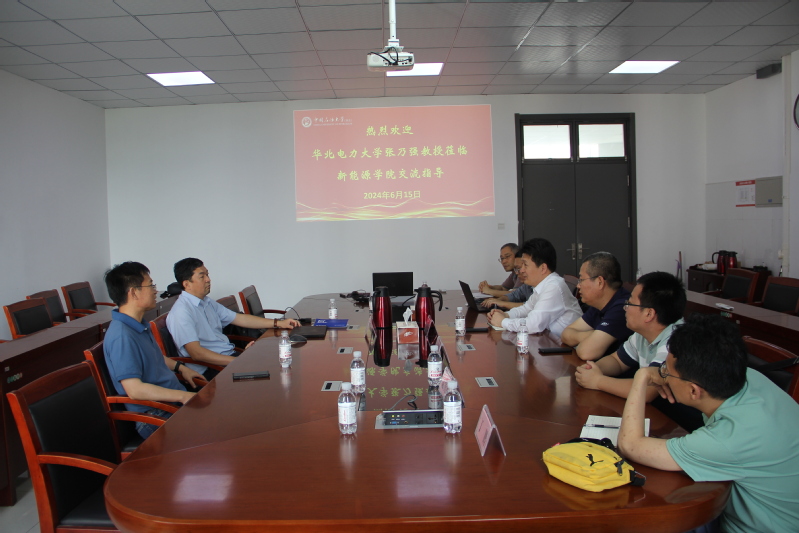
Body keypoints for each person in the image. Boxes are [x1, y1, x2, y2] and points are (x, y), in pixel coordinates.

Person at [618, 314, 799, 533]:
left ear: (694, 390)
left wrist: (641, 377)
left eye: (666, 371)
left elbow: (630, 445)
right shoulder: (748, 377)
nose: (661, 374)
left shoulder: (728, 438)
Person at [103, 261, 202, 439]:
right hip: (155, 415)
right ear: (133, 292)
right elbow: (135, 390)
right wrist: (183, 396)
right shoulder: (122, 336)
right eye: (150, 285)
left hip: (170, 403)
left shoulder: (138, 325)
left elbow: (155, 357)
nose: (155, 291)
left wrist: (181, 368)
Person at [167, 258, 300, 378]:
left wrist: (278, 323)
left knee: (278, 360)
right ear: (187, 284)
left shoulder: (206, 302)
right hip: (211, 369)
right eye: (202, 276)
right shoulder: (181, 312)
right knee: (272, 373)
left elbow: (240, 319)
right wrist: (239, 361)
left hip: (228, 357)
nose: (208, 279)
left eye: (207, 274)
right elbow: (197, 354)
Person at [574, 271, 685, 402]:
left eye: (630, 303)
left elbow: (647, 390)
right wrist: (592, 370)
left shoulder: (675, 340)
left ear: (649, 314)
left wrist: (598, 381)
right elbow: (617, 361)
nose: (625, 308)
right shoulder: (643, 333)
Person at [487, 238, 581, 338]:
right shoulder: (542, 285)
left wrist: (503, 322)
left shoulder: (554, 286)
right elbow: (526, 308)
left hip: (564, 345)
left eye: (525, 265)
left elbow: (533, 325)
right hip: (550, 339)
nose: (521, 270)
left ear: (543, 268)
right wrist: (507, 315)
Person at [561, 252, 632, 360]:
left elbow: (586, 352)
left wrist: (585, 338)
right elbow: (566, 334)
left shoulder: (622, 308)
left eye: (581, 280)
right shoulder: (599, 303)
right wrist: (591, 335)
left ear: (599, 282)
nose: (578, 285)